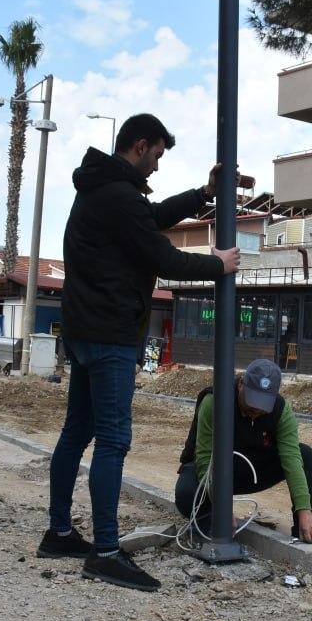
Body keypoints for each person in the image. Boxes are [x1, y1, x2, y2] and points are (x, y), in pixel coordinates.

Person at [37, 113, 240, 593]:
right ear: (140, 146)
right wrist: (219, 265)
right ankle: (106, 553)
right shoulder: (117, 195)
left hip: (87, 331)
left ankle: (60, 533)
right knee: (112, 440)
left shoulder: (102, 189)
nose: (157, 167)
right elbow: (163, 256)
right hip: (109, 336)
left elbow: (151, 218)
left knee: (76, 433)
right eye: (157, 156)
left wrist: (202, 195)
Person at [174, 359, 312, 543]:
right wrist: (222, 506)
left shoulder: (281, 411)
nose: (256, 409)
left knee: (304, 454)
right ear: (241, 384)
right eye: (252, 400)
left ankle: (306, 530)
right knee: (185, 494)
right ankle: (211, 525)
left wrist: (304, 510)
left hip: (252, 470)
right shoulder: (214, 401)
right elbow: (205, 459)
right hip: (217, 470)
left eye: (263, 404)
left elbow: (292, 459)